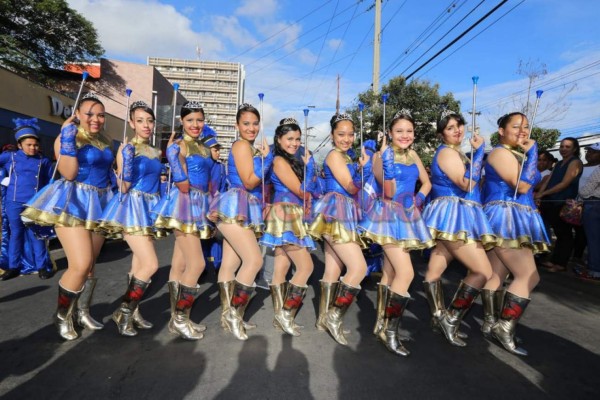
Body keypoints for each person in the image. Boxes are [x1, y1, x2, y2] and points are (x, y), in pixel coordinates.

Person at [22, 93, 114, 340]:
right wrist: (67, 139)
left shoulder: (105, 141)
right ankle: (62, 315)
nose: (96, 119)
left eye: (101, 114)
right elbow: (70, 173)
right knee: (81, 264)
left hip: (100, 204)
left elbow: (108, 174)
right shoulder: (66, 137)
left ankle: (81, 311)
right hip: (71, 203)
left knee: (91, 266)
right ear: (78, 114)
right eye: (90, 114)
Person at [358, 110, 434, 356]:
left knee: (391, 273)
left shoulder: (413, 154)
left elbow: (427, 183)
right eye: (399, 131)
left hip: (408, 215)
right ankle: (390, 332)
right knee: (406, 272)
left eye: (409, 131)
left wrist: (417, 200)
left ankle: (381, 323)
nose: (405, 135)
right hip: (388, 216)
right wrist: (387, 163)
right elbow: (388, 192)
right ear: (389, 133)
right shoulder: (381, 156)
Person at [421, 110, 495, 347]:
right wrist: (480, 152)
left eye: (459, 125)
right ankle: (451, 318)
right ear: (442, 133)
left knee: (435, 269)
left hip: (456, 215)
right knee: (483, 271)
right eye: (450, 127)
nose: (457, 130)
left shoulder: (456, 153)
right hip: (454, 216)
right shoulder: (448, 154)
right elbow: (466, 183)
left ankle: (437, 317)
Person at [480, 112, 550, 356]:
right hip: (506, 217)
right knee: (529, 276)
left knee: (496, 274)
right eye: (516, 126)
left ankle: (489, 323)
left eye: (527, 127)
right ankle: (505, 327)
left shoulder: (513, 153)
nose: (523, 131)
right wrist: (533, 153)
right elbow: (521, 185)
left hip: (515, 215)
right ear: (501, 130)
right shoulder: (500, 153)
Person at [97, 101, 163, 337]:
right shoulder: (127, 148)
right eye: (141, 120)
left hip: (150, 208)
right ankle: (123, 312)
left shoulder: (156, 150)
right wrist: (125, 163)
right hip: (131, 207)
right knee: (151, 265)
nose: (146, 125)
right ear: (132, 123)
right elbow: (123, 187)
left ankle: (133, 312)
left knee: (138, 265)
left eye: (150, 120)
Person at [307, 113, 371, 346]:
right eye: (341, 134)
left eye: (350, 134)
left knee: (333, 268)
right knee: (359, 267)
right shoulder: (335, 156)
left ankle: (323, 318)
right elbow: (350, 187)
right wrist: (367, 170)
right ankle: (335, 316)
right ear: (332, 135)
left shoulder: (345, 156)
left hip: (339, 212)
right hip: (337, 213)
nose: (346, 138)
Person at [208, 103, 271, 341]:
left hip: (240, 207)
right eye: (246, 123)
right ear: (237, 125)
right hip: (236, 205)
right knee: (253, 261)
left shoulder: (248, 147)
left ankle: (228, 315)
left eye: (255, 123)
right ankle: (234, 314)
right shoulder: (242, 145)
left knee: (230, 265)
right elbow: (249, 181)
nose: (251, 128)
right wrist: (268, 159)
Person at [153, 101, 215, 340]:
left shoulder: (201, 145)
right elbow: (182, 183)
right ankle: (180, 318)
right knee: (197, 265)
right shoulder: (179, 145)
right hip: (185, 205)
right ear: (181, 121)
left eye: (199, 120)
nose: (195, 124)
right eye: (190, 120)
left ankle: (178, 318)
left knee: (179, 265)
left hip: (199, 203)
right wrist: (173, 157)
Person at [259, 117, 316, 336]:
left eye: (297, 139)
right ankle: (286, 313)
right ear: (279, 140)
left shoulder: (288, 160)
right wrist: (310, 167)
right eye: (289, 138)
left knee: (281, 266)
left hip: (287, 213)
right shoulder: (279, 161)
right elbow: (302, 191)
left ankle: (279, 316)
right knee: (306, 267)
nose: (294, 143)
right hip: (287, 214)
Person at [0, 118, 54, 280]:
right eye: (29, 145)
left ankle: (42, 267)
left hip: (34, 203)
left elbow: (47, 182)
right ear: (20, 145)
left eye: (35, 145)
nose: (33, 147)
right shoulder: (10, 157)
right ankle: (13, 266)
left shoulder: (43, 161)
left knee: (37, 235)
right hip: (13, 201)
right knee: (15, 234)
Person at [536, 137, 583, 272]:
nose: (563, 149)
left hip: (562, 201)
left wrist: (543, 194)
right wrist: (541, 193)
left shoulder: (575, 162)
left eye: (567, 147)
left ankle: (561, 264)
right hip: (550, 201)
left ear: (574, 148)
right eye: (562, 146)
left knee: (564, 234)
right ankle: (554, 260)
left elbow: (565, 184)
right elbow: (548, 180)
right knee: (558, 232)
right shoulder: (559, 163)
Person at [575, 143, 600, 281]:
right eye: (588, 151)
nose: (589, 154)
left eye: (594, 152)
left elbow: (585, 191)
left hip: (594, 204)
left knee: (594, 240)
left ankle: (594, 270)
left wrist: (581, 195)